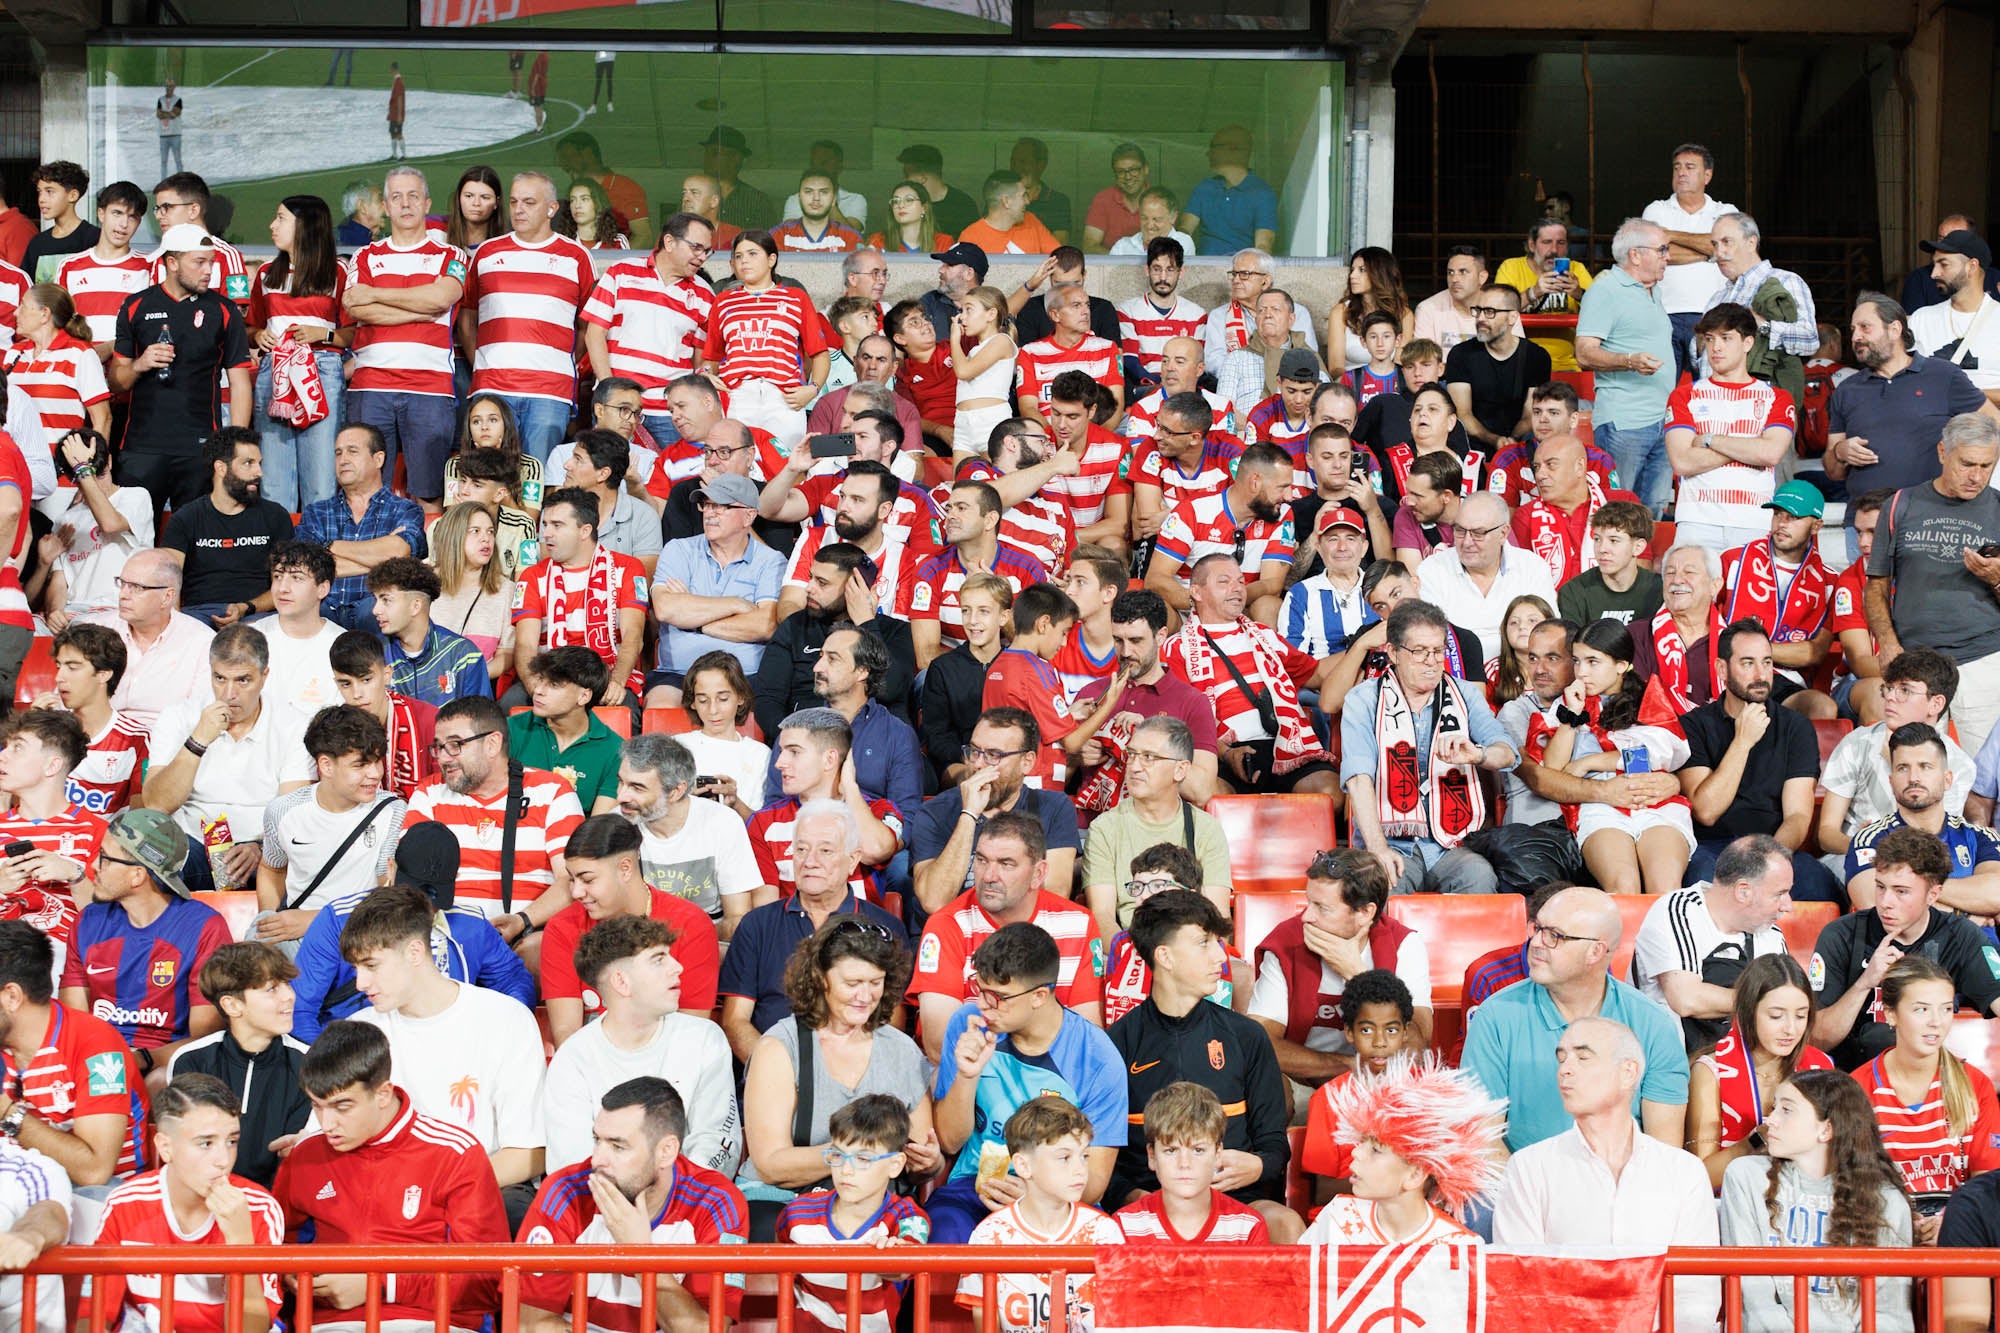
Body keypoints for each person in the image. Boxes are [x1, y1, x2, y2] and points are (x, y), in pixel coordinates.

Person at [271, 1021, 511, 1328]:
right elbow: (275, 1249)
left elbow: (485, 1281)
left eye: (342, 1107)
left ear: (382, 1094)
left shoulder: (455, 1153)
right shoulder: (305, 1156)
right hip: (329, 1323)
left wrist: (381, 1284)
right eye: (317, 1106)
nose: (327, 1123)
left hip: (433, 1321)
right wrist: (291, 1273)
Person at [1492, 1017, 1719, 1330]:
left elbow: (1697, 1297)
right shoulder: (1528, 1168)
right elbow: (1521, 1288)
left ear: (1628, 1072)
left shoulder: (1684, 1173)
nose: (1565, 1069)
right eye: (1561, 1058)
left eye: (1583, 1057)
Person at [1108, 891, 1296, 1238]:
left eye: (1218, 941)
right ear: (1164, 956)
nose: (1219, 955)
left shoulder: (1247, 1036)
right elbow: (1104, 1158)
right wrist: (1132, 1196)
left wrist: (1256, 1166)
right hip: (1147, 1207)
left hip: (1236, 1203)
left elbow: (1274, 1146)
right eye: (1203, 943)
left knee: (1286, 1224)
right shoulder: (1116, 1043)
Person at [340, 883, 546, 1190]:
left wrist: (437, 1189)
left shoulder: (505, 1019)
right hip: (386, 1193)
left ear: (414, 952)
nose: (360, 983)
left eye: (371, 965)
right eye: (357, 968)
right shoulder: (358, 1031)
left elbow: (529, 1153)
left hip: (482, 1188)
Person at [1462, 885, 1688, 1152]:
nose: (1535, 943)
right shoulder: (1495, 1016)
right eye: (1537, 929)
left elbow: (1663, 1148)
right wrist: (1528, 1192)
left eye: (1554, 936)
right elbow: (1481, 1141)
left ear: (1595, 951)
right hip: (1521, 1186)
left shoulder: (1654, 1024)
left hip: (1622, 1187)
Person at [519, 1074, 748, 1333]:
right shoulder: (564, 1192)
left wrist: (639, 1255)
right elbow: (529, 1324)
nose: (597, 1160)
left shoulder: (716, 1202)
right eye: (597, 1140)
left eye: (618, 1146)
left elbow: (707, 1330)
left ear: (666, 1151)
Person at [739, 915, 932, 1212]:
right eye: (853, 983)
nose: (865, 996)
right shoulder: (779, 1047)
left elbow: (918, 1160)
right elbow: (770, 1164)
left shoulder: (902, 1051)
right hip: (785, 1200)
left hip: (872, 1205)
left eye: (875, 983)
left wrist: (928, 1162)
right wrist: (855, 1156)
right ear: (820, 979)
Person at [289, 819, 534, 1040]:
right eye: (413, 891)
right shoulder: (338, 920)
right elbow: (300, 1011)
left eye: (435, 894)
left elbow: (514, 982)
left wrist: (499, 1036)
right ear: (391, 867)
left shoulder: (471, 924)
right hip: (358, 1056)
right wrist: (342, 1069)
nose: (424, 906)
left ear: (454, 879)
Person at [80, 1075, 286, 1333]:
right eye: (206, 1143)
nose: (223, 1159)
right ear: (166, 1147)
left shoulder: (260, 1208)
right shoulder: (125, 1203)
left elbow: (254, 1328)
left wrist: (241, 1241)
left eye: (231, 1141)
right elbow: (96, 1315)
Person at [542, 914, 738, 1179]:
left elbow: (717, 1142)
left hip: (691, 1202)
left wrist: (673, 1198)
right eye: (659, 959)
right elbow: (572, 1166)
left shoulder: (705, 1039)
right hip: (601, 1209)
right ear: (622, 982)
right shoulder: (573, 1059)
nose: (678, 967)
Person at [1339, 599, 1514, 894]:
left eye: (1437, 651)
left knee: (1480, 877)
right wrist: (1379, 849)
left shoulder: (1464, 694)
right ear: (1393, 652)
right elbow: (1358, 780)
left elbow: (1507, 753)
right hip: (1390, 840)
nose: (1432, 661)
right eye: (1420, 652)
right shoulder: (1364, 699)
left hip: (1452, 842)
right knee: (1384, 885)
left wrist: (1479, 754)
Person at [1721, 1069, 1915, 1333]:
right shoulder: (1747, 1177)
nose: (1771, 1121)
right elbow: (1753, 1297)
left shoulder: (1885, 1200)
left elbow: (1889, 1313)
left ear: (1826, 1129)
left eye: (1787, 1110)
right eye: (1773, 1107)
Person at [910, 812, 1102, 1056]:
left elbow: (1088, 1035)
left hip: (1053, 1076)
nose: (989, 876)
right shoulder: (947, 925)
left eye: (1006, 864)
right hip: (970, 1076)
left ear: (1038, 874)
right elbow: (939, 1045)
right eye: (981, 860)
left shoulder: (1078, 923)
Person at [1810, 825, 2000, 1070]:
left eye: (1901, 891)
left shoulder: (1961, 936)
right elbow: (1816, 1040)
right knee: (1879, 1036)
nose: (1885, 902)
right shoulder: (1841, 935)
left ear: (1933, 895)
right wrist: (1864, 983)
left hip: (1928, 1078)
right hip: (1851, 1083)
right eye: (1880, 887)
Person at [1866, 414, 2000, 758]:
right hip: (1914, 660)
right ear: (1943, 452)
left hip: (1983, 660)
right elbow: (1876, 585)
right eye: (1967, 463)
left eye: (1987, 465)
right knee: (1912, 769)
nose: (1977, 476)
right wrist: (1887, 643)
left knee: (1984, 782)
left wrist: (1995, 578)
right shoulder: (1900, 504)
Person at [1530, 617, 1695, 896]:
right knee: (1623, 888)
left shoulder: (1649, 697)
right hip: (1599, 807)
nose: (1582, 672)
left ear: (1621, 665)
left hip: (1653, 800)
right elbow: (1553, 770)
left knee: (1664, 887)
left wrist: (1588, 762)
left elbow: (1653, 758)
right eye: (1577, 661)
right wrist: (1572, 716)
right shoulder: (1567, 702)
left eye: (1593, 662)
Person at [1679, 619, 1841, 901]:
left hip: (1774, 846)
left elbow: (1798, 816)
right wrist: (1743, 741)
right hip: (1712, 846)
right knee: (1704, 888)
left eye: (1767, 662)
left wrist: (1768, 860)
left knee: (1821, 889)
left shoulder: (1795, 727)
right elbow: (1706, 811)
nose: (1761, 674)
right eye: (1747, 663)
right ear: (1722, 669)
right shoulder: (1694, 725)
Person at [61, 804, 229, 1074]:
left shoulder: (204, 927)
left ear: (137, 874)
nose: (94, 866)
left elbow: (204, 1040)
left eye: (104, 857)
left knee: (161, 1081)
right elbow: (75, 1023)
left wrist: (142, 1060)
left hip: (165, 1063)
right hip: (96, 1060)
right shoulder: (88, 921)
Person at [145, 626, 314, 894]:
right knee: (146, 864)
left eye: (243, 680)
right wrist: (197, 741)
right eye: (220, 679)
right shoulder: (178, 717)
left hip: (266, 849)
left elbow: (292, 812)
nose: (228, 694)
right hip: (192, 843)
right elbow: (155, 804)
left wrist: (260, 848)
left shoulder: (294, 725)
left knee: (299, 861)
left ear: (264, 676)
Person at [402, 695, 585, 936]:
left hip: (528, 933)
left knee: (537, 950)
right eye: (439, 746)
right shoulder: (428, 793)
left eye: (456, 745)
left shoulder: (552, 791)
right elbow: (411, 881)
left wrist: (522, 921)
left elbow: (572, 880)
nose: (443, 758)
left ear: (492, 744)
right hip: (445, 935)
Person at [340, 167, 468, 508]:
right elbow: (355, 306)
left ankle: (425, 563)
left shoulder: (452, 256)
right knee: (365, 491)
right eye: (396, 197)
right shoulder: (365, 256)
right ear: (385, 206)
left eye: (413, 196)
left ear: (427, 203)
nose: (405, 203)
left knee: (428, 493)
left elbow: (442, 298)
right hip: (371, 387)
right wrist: (418, 309)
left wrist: (377, 294)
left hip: (429, 389)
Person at [1165, 555, 1340, 797]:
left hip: (1284, 744)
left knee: (1330, 794)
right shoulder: (1177, 648)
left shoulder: (1264, 635)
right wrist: (1226, 753)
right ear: (1196, 591)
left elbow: (1317, 674)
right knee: (1206, 796)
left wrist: (1362, 646)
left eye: (1240, 581)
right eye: (1224, 582)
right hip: (1222, 752)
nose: (1237, 588)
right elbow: (1181, 720)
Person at [108, 224, 253, 514]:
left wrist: (236, 445)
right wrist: (141, 363)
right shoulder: (136, 306)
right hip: (142, 447)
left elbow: (240, 382)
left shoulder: (224, 310)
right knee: (134, 540)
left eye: (211, 262)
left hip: (200, 448)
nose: (209, 270)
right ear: (172, 263)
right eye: (199, 262)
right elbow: (116, 382)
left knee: (195, 543)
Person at [539, 815, 720, 1044]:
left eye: (587, 879)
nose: (576, 892)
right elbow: (567, 1035)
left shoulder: (691, 924)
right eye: (572, 879)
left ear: (625, 868)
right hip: (591, 1068)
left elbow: (691, 1033)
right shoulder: (562, 927)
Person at [1297, 1054, 1506, 1247]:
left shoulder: (1458, 1246)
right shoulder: (1336, 1217)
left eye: (1376, 1150)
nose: (1356, 1153)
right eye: (1361, 1143)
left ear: (1415, 1174)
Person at [1855, 954, 2000, 1230]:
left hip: (1961, 1229)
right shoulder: (1858, 1088)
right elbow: (1849, 1186)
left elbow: (1988, 1184)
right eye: (1921, 1010)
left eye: (1945, 1009)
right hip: (1882, 1232)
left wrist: (1950, 1226)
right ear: (1891, 1013)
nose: (1936, 1022)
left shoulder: (1975, 1085)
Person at [460, 172, 593, 464]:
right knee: (491, 476)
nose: (519, 209)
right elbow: (467, 318)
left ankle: (535, 514)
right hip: (493, 385)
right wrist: (481, 362)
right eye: (514, 201)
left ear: (551, 208)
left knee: (537, 476)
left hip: (550, 391)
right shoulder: (487, 253)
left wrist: (564, 362)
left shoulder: (576, 257)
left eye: (529, 202)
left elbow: (587, 325)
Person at [0, 918, 144, 1184]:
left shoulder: (97, 1047)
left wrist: (8, 1114)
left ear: (11, 997)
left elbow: (95, 1172)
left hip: (94, 1197)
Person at [255, 704, 403, 950]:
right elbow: (272, 869)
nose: (375, 773)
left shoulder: (392, 811)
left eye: (378, 762)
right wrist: (270, 920)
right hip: (295, 936)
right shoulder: (283, 811)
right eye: (360, 765)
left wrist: (315, 920)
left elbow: (384, 897)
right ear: (325, 765)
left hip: (360, 935)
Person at [1630, 834, 1796, 1053]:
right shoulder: (1679, 910)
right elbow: (1686, 999)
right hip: (1668, 1061)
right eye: (1780, 894)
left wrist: (1776, 1006)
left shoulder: (1770, 932)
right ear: (1743, 891)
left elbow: (1788, 1003)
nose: (1788, 906)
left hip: (1739, 1061)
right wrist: (1765, 1004)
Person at [775, 1095, 932, 1325]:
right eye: (838, 1155)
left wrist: (892, 1257)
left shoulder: (907, 1216)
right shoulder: (797, 1213)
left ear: (895, 1165)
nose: (846, 1170)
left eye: (863, 1159)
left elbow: (905, 1265)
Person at [913, 708, 1082, 919]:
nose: (978, 764)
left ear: (1026, 762)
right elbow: (934, 901)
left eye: (994, 755)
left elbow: (1054, 896)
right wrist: (969, 814)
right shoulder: (935, 812)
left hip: (1020, 939)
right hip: (952, 939)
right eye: (974, 751)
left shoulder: (1054, 807)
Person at [167, 942, 313, 1187]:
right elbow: (191, 1152)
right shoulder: (192, 1060)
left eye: (287, 984)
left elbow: (289, 1164)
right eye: (272, 989)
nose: (289, 996)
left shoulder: (307, 1063)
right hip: (206, 1196)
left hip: (275, 1204)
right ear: (232, 1005)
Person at [1825, 293, 1994, 503]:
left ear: (1895, 329)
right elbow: (1833, 473)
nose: (1855, 337)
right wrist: (1840, 452)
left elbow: (1994, 425)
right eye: (1853, 330)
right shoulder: (1847, 389)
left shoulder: (1943, 375)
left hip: (1932, 519)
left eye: (1865, 327)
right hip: (1865, 524)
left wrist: (1975, 476)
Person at [1665, 302, 1800, 551]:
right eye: (1709, 338)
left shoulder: (1777, 398)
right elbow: (1682, 462)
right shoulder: (1684, 395)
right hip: (1696, 521)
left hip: (1754, 521)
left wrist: (1710, 439)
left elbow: (1770, 454)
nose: (1716, 347)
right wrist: (1750, 446)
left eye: (1726, 338)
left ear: (1748, 343)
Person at [1079, 715, 1230, 938]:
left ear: (1180, 770)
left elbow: (1217, 915)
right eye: (1131, 755)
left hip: (1190, 950)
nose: (1134, 767)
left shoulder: (1206, 828)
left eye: (1149, 757)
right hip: (1131, 946)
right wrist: (1139, 956)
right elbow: (1102, 917)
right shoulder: (1105, 827)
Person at [581, 211, 718, 450]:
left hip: (670, 412)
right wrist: (609, 390)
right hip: (616, 405)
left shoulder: (705, 295)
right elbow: (594, 334)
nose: (702, 257)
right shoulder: (621, 272)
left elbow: (701, 361)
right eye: (696, 247)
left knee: (664, 482)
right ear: (669, 241)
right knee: (607, 474)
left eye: (707, 251)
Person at [246, 194, 348, 511]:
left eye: (281, 218)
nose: (271, 225)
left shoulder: (336, 273)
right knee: (274, 477)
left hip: (322, 371)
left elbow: (355, 333)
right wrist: (259, 335)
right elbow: (250, 328)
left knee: (320, 476)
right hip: (274, 373)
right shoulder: (265, 274)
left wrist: (325, 334)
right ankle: (279, 555)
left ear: (305, 226)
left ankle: (319, 555)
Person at [650, 473, 783, 706]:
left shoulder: (771, 561)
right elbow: (665, 609)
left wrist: (694, 620)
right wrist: (735, 604)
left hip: (744, 677)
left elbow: (764, 625)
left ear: (748, 516)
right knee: (660, 710)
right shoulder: (679, 550)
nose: (710, 513)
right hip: (677, 673)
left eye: (721, 506)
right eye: (707, 505)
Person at [1574, 218, 1678, 516]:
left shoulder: (1653, 290)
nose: (1668, 256)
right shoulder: (1605, 290)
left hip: (1662, 419)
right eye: (1662, 250)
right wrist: (1629, 361)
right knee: (1618, 509)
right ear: (1635, 254)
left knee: (1655, 507)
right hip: (1625, 422)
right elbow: (1584, 353)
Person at [513, 487, 649, 708]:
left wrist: (617, 680)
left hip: (607, 673)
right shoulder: (532, 576)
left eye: (557, 525)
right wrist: (536, 687)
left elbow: (633, 635)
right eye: (545, 524)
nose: (546, 533)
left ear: (584, 531)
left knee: (625, 706)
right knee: (512, 702)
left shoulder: (628, 568)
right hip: (549, 675)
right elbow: (525, 644)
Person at [1842, 723, 1996, 916]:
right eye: (1903, 768)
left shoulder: (1980, 837)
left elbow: (1996, 893)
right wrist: (1966, 914)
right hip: (1909, 946)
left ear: (1947, 779)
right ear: (1891, 782)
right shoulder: (1871, 839)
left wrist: (1910, 887)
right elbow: (1878, 904)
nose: (1914, 777)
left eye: (1925, 767)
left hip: (1984, 947)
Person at [701, 231, 828, 450]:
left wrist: (813, 389)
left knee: (786, 468)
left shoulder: (796, 298)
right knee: (736, 464)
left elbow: (820, 353)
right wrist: (706, 376)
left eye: (752, 254)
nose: (744, 261)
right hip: (737, 397)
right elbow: (711, 358)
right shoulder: (723, 301)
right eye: (738, 256)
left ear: (772, 259)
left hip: (785, 398)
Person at [298, 423, 428, 633]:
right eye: (338, 453)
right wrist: (382, 562)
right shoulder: (317, 512)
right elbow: (308, 568)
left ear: (378, 459)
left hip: (376, 612)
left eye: (353, 451)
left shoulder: (405, 510)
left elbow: (399, 551)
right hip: (322, 610)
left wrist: (329, 546)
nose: (343, 460)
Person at [1146, 441, 1295, 624]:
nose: (1289, 496)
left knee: (1268, 605)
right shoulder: (1192, 510)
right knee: (1154, 610)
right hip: (1189, 609)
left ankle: (1267, 652)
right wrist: (1206, 602)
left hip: (1242, 610)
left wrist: (1231, 599)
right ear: (1255, 482)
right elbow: (1156, 579)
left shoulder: (1282, 513)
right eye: (1282, 487)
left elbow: (1272, 584)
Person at [155, 428, 291, 629]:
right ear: (221, 468)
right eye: (248, 463)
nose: (259, 472)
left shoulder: (275, 516)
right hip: (199, 617)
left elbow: (285, 585)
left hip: (257, 615)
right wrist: (176, 631)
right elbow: (168, 582)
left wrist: (246, 607)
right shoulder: (186, 518)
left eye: (259, 464)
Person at [910, 480, 1050, 671]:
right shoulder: (929, 569)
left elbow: (1039, 649)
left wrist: (995, 599)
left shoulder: (1027, 568)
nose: (950, 516)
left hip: (1010, 675)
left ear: (990, 520)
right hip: (950, 679)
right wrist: (979, 673)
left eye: (961, 508)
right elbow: (926, 657)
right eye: (949, 508)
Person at [0, 708, 104, 964]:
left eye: (18, 748)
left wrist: (74, 875)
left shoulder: (95, 831)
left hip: (64, 959)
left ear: (52, 766)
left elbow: (109, 924)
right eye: (6, 746)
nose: (2, 756)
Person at [1418, 491, 1560, 675]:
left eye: (1478, 533)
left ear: (1503, 533)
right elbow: (1428, 642)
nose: (1467, 542)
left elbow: (1549, 635)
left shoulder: (1532, 567)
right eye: (1460, 530)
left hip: (1524, 680)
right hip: (1456, 681)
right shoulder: (1431, 570)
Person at [1115, 1081, 1271, 1245]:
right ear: (1152, 1156)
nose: (1184, 1164)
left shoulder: (1247, 1227)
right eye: (1171, 1151)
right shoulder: (1124, 1226)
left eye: (1198, 1150)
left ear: (1217, 1153)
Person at [1642, 143, 1736, 379]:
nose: (1681, 173)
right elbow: (1654, 254)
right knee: (1661, 393)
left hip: (1712, 317)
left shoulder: (1725, 211)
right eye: (1677, 168)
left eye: (1690, 167)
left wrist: (1670, 235)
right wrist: (1711, 251)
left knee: (1711, 390)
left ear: (1707, 175)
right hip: (1663, 315)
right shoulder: (1656, 210)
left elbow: (1730, 249)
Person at [37, 623, 148, 817]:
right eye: (58, 667)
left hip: (103, 842)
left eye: (72, 667)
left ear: (103, 674)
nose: (59, 677)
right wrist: (31, 733)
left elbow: (140, 815)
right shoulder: (47, 730)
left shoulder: (135, 739)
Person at [1508, 435, 1642, 589]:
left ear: (1579, 467)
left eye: (1551, 465)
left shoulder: (1623, 503)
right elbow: (1521, 582)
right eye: (1537, 467)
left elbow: (1641, 569)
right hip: (1553, 610)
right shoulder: (1526, 516)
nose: (1539, 475)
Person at [504, 647, 619, 815]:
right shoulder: (510, 729)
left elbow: (598, 827)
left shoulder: (614, 751)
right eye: (541, 679)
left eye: (554, 684)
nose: (538, 690)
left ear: (584, 696)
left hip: (576, 839)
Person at [241, 541, 342, 719]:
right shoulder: (249, 639)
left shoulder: (342, 645)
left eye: (296, 578)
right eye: (278, 577)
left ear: (322, 589)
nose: (282, 588)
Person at [54, 178, 149, 359]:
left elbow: (153, 326)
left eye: (132, 217)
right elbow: (58, 325)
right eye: (117, 213)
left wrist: (109, 348)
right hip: (82, 371)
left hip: (130, 374)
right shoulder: (69, 266)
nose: (123, 224)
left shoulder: (149, 266)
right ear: (101, 214)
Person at [5, 283, 109, 441]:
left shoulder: (80, 354)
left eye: (23, 306)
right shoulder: (14, 353)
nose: (15, 312)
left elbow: (103, 419)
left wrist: (92, 463)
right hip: (17, 461)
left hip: (59, 461)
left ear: (44, 314)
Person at [1910, 228, 2000, 405]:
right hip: (1932, 428)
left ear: (1971, 267)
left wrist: (1961, 395)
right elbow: (1905, 382)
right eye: (1934, 265)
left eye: (1944, 264)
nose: (1934, 274)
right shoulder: (1921, 319)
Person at [429, 500, 519, 673]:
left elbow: (506, 655)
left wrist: (471, 677)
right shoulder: (425, 584)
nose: (486, 538)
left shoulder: (507, 590)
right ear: (454, 536)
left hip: (477, 686)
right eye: (475, 531)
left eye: (490, 532)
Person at [1014, 284, 1122, 427]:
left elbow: (1116, 405)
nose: (1086, 312)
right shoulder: (1030, 353)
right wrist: (1054, 443)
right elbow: (1028, 408)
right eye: (1076, 305)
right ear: (1055, 315)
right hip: (1047, 441)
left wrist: (1094, 443)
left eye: (1087, 305)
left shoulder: (1108, 348)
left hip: (1096, 440)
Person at [1495, 215, 1594, 372]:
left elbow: (1602, 311)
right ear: (1532, 245)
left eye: (1560, 243)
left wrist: (1579, 294)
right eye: (1547, 242)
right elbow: (1496, 310)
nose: (1554, 250)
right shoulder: (1511, 267)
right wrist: (1533, 293)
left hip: (1567, 365)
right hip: (1519, 363)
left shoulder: (1576, 269)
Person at [1556, 500, 1662, 629]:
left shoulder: (1660, 590)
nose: (1602, 549)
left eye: (1614, 540)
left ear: (1638, 547)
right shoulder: (1573, 592)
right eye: (1597, 539)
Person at [1117, 238, 1205, 388]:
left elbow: (1197, 363)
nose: (1163, 277)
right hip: (1144, 387)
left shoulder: (1196, 314)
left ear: (1181, 272)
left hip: (1184, 390)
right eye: (1157, 269)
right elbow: (1130, 361)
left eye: (1170, 269)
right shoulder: (1127, 311)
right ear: (1147, 270)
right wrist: (1159, 385)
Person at [1178, 125, 1277, 256]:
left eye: (1213, 147)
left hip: (1241, 272)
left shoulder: (1262, 193)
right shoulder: (1204, 188)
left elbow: (1263, 246)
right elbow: (1184, 232)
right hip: (1204, 269)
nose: (1208, 153)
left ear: (1234, 149)